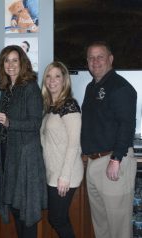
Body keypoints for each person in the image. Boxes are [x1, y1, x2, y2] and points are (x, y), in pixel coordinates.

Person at [81, 41, 137, 238]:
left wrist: (116, 159)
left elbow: (126, 125)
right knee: (101, 226)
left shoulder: (121, 87)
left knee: (118, 228)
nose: (95, 61)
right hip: (95, 164)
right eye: (91, 57)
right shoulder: (91, 87)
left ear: (110, 59)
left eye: (100, 56)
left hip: (113, 162)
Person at [0, 45, 47, 238]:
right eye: (6, 60)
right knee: (16, 208)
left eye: (15, 60)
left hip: (25, 157)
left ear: (22, 62)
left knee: (25, 209)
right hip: (9, 156)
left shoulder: (30, 87)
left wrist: (9, 122)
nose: (10, 64)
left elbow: (35, 123)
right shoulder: (7, 89)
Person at [40, 61, 83, 238]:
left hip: (66, 173)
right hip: (53, 172)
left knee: (57, 219)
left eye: (57, 76)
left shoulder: (69, 105)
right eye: (49, 76)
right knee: (59, 218)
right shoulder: (50, 107)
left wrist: (64, 176)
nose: (52, 80)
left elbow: (74, 144)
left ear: (64, 80)